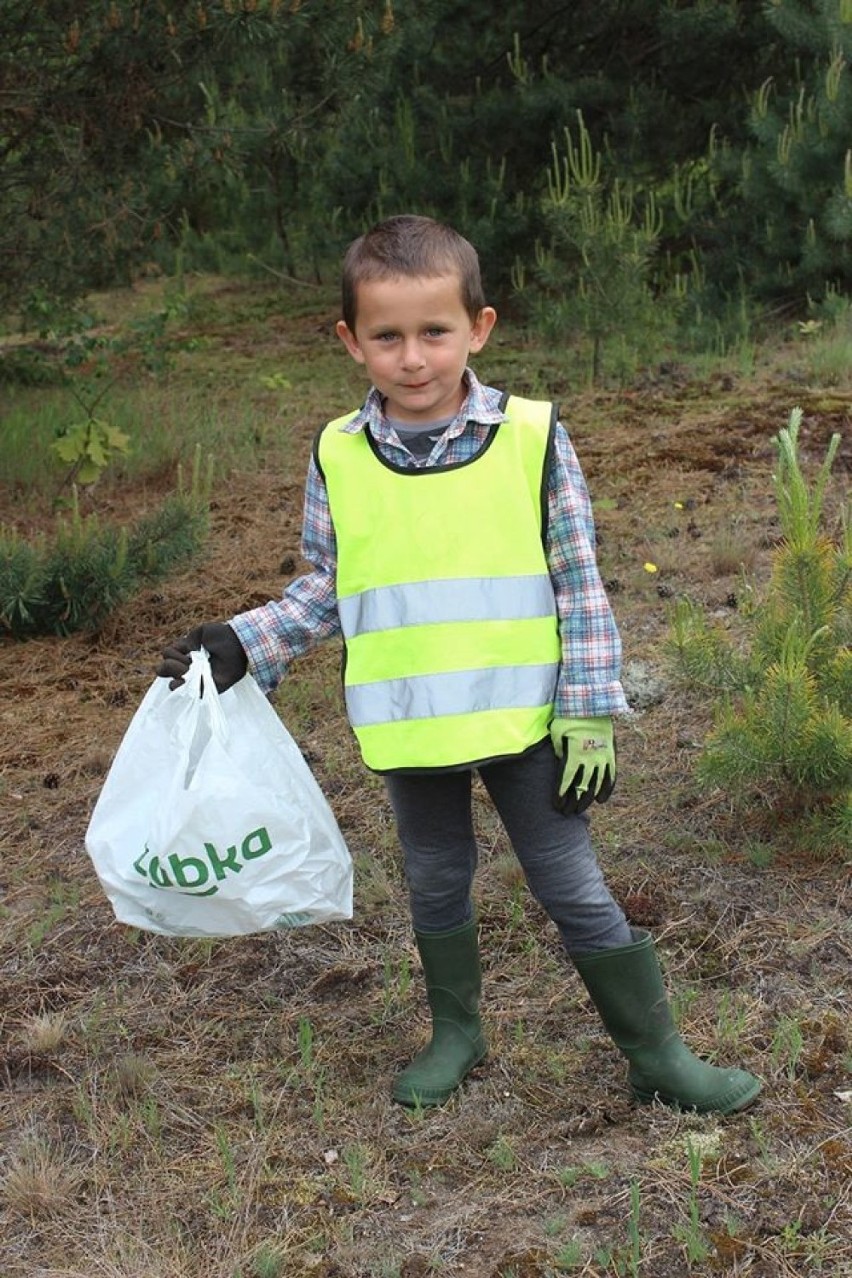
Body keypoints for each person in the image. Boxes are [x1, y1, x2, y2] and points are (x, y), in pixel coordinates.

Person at [159, 214, 761, 1115]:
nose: (413, 357)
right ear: (350, 342)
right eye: (387, 337)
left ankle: (658, 1054)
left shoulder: (530, 436)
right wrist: (246, 641)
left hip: (529, 724)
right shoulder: (339, 454)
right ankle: (458, 1033)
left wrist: (589, 706)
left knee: (573, 889)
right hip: (412, 729)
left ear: (478, 327)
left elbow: (578, 575)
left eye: (434, 332)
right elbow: (327, 585)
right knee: (436, 880)